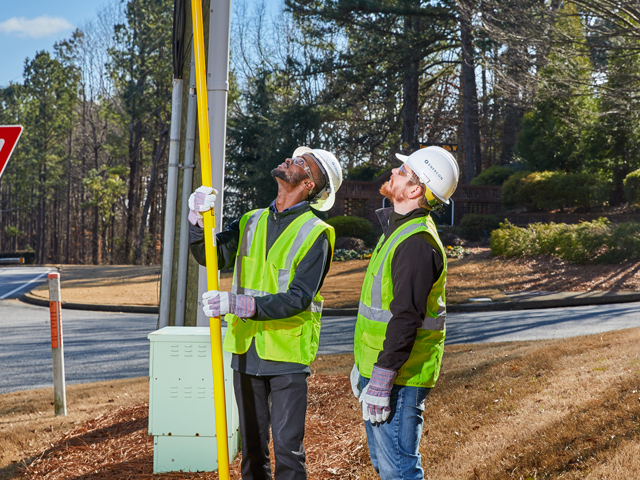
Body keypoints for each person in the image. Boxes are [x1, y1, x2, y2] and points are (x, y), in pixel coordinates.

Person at [188, 147, 342, 480]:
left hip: (286, 354)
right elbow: (208, 255)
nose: (291, 160)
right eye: (294, 157)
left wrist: (241, 305)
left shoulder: (317, 234)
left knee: (288, 450)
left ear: (309, 185)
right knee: (253, 450)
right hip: (246, 351)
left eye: (302, 163)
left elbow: (299, 297)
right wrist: (198, 220)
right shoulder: (251, 220)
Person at [351, 146, 459, 480]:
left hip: (399, 377)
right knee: (385, 466)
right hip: (384, 370)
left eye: (402, 171)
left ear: (414, 190)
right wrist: (364, 369)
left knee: (399, 471)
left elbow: (407, 317)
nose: (393, 173)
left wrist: (381, 380)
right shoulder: (400, 231)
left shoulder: (416, 242)